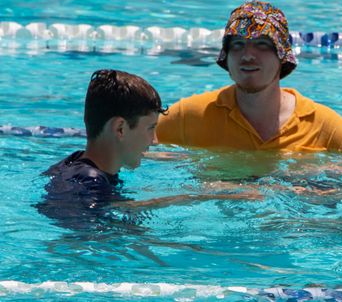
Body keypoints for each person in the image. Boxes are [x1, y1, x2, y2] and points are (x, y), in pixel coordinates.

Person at [36, 69, 259, 229]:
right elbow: (100, 226)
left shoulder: (74, 163)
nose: (153, 140)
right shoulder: (88, 183)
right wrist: (199, 196)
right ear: (120, 128)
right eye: (150, 128)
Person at [156, 0, 342, 155]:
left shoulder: (323, 127)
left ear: (282, 56)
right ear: (226, 57)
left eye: (262, 45)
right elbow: (130, 146)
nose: (248, 56)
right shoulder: (188, 116)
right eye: (238, 45)